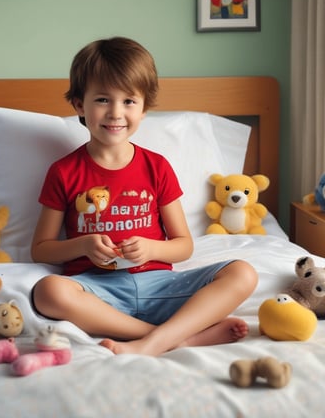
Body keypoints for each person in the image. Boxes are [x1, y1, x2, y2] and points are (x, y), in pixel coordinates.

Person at [31, 36, 258, 356]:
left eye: (128, 101)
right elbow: (41, 249)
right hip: (99, 294)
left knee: (242, 273)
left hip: (161, 288)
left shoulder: (157, 167)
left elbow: (184, 246)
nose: (115, 113)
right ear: (80, 104)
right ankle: (171, 339)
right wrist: (82, 245)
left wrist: (151, 248)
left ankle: (151, 342)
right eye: (102, 100)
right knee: (47, 292)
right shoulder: (63, 171)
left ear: (144, 108)